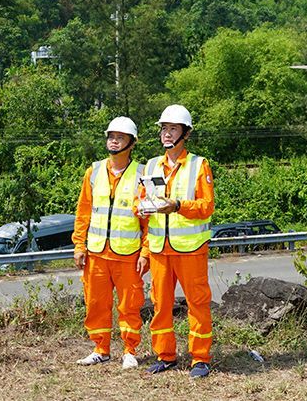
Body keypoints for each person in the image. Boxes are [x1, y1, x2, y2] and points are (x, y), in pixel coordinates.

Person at [138, 104, 214, 379]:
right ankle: (165, 355)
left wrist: (178, 205)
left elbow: (206, 206)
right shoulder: (150, 165)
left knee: (197, 303)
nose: (167, 134)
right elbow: (142, 200)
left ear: (186, 134)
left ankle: (200, 358)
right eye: (164, 129)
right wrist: (141, 207)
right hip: (159, 248)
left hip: (190, 248)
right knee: (160, 303)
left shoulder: (198, 164)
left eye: (173, 129)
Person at [71, 116, 149, 369]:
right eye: (111, 136)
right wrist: (79, 245)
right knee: (95, 303)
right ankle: (100, 349)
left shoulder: (142, 174)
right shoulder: (93, 172)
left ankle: (130, 350)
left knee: (130, 304)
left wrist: (145, 252)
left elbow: (149, 220)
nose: (114, 141)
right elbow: (84, 211)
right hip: (96, 253)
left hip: (127, 254)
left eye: (120, 137)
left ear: (131, 143)